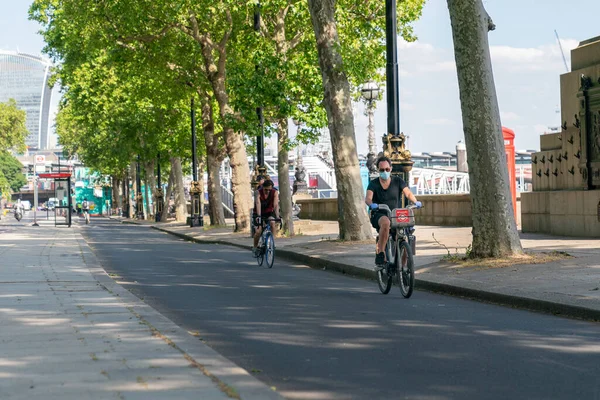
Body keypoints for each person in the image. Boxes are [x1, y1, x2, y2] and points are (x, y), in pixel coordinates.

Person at [365, 156, 422, 266]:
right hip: (380, 213)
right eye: (382, 170)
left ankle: (402, 269)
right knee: (386, 223)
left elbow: (408, 193)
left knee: (404, 237)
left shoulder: (398, 181)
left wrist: (415, 202)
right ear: (378, 170)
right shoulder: (374, 183)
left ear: (390, 168)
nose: (384, 172)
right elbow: (368, 198)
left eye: (387, 169)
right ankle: (381, 253)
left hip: (396, 215)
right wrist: (372, 204)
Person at [252, 179, 280, 255]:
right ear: (262, 187)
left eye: (269, 190)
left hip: (269, 212)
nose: (267, 191)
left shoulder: (275, 192)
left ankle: (272, 242)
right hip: (259, 212)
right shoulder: (258, 192)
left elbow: (275, 205)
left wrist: (277, 216)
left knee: (272, 222)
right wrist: (258, 216)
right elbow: (258, 203)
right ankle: (255, 247)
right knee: (258, 231)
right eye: (265, 189)